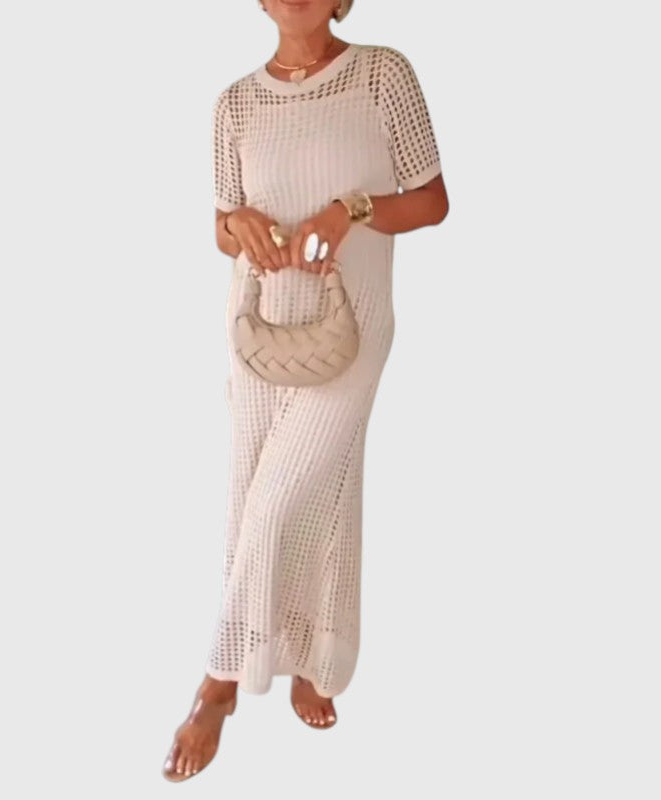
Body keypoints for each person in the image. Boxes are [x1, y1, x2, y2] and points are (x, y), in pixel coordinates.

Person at [163, 0, 448, 781]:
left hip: (351, 324)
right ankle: (315, 655)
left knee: (277, 499)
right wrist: (242, 227)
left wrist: (352, 210)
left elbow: (432, 201)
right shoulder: (235, 104)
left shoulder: (382, 75)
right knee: (283, 493)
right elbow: (220, 227)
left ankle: (218, 681)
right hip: (259, 329)